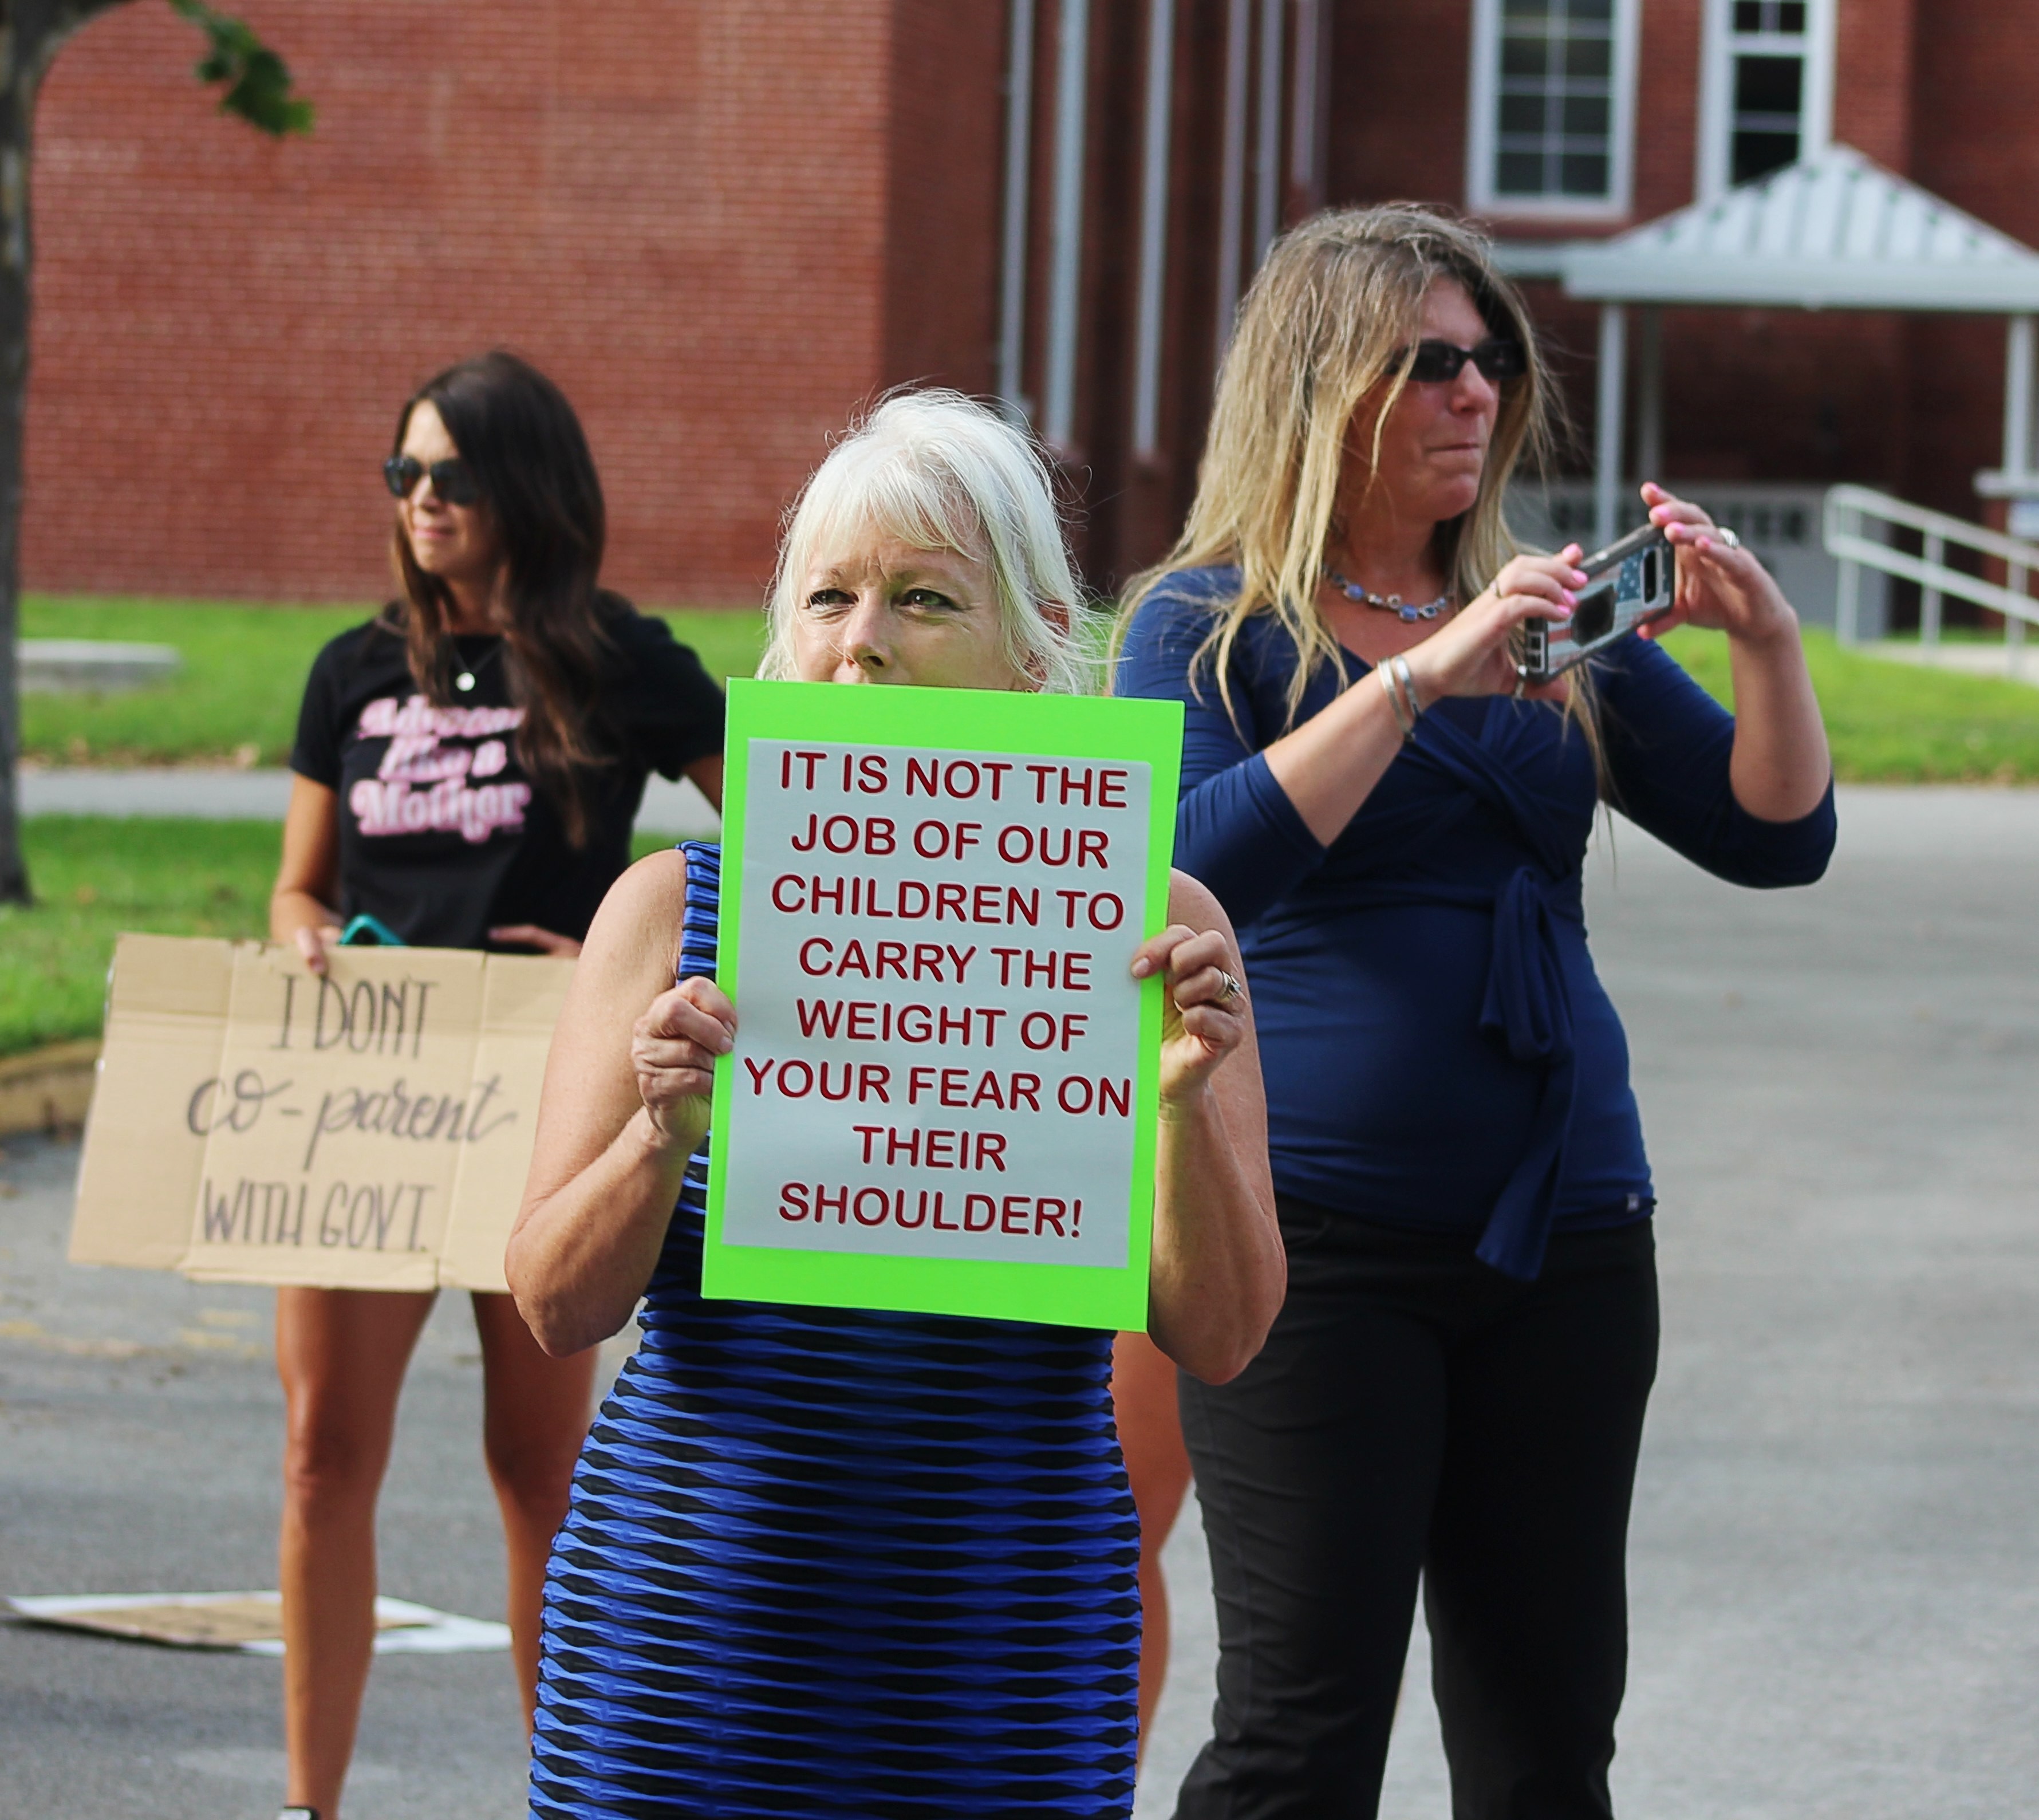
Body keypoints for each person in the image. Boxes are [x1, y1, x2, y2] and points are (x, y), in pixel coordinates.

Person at [1112, 206, 1836, 1819]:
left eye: (1492, 358)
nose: (1476, 391)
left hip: (1566, 1231)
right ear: (1320, 387)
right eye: (1430, 360)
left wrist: (1767, 643)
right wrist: (1421, 675)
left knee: (1543, 1744)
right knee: (1299, 1741)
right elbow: (1185, 872)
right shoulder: (1205, 626)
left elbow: (1773, 836)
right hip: (1311, 1241)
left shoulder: (1548, 617)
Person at [504, 388, 1287, 1819]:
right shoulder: (671, 910)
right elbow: (555, 1302)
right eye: (828, 596)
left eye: (923, 598)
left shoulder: (1150, 924)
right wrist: (654, 1136)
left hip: (1000, 1652)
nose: (861, 638)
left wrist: (1178, 1110)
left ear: (1033, 648)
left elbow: (1223, 1335)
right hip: (688, 1642)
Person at [267, 350, 727, 1820]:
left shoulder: (618, 657)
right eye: (401, 472)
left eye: (450, 474)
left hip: (545, 1098)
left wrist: (615, 958)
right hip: (367, 1099)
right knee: (321, 1452)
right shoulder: (352, 668)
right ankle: (309, 1802)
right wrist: (304, 935)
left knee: (540, 1465)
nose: (420, 500)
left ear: (528, 485)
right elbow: (298, 884)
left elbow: (793, 840)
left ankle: (560, 1789)